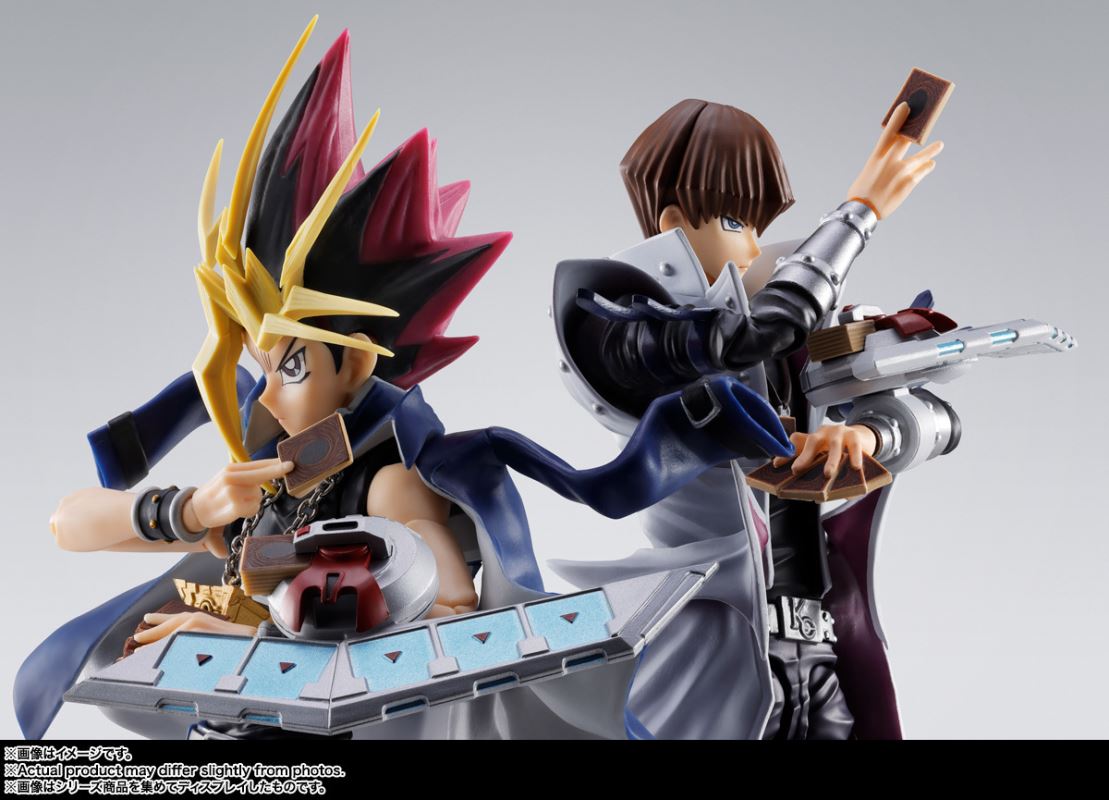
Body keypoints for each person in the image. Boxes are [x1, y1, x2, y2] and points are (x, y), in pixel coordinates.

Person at [16, 24, 793, 741]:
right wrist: (189, 511)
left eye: (291, 364)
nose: (267, 393)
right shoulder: (273, 480)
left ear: (354, 363)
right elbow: (68, 524)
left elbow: (444, 640)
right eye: (261, 360)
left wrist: (239, 652)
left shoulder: (388, 487)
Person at [551, 97, 957, 738]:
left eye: (758, 227)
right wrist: (859, 212)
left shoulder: (795, 336)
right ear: (674, 222)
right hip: (715, 656)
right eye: (736, 220)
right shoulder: (620, 324)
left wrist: (868, 433)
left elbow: (937, 417)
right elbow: (741, 338)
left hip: (820, 649)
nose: (751, 246)